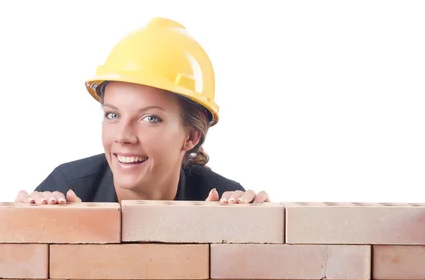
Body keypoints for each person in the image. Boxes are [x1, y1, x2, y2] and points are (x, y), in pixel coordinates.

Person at [15, 17, 270, 205]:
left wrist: (255, 230)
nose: (123, 136)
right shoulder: (67, 187)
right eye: (112, 115)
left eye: (150, 118)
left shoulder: (221, 200)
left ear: (190, 136)